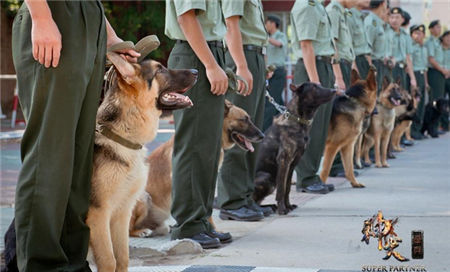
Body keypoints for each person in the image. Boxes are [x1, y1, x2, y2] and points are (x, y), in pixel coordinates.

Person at [11, 0, 139, 271]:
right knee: (50, 155)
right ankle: (41, 265)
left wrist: (109, 35)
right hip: (55, 13)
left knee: (80, 158)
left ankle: (71, 263)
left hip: (88, 18)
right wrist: (42, 17)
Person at [165, 0, 230, 249]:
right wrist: (211, 65)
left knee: (208, 148)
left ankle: (201, 221)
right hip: (195, 56)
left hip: (207, 52)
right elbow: (187, 17)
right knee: (193, 145)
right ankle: (187, 225)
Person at [217, 0, 273, 222]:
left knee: (252, 133)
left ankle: (245, 196)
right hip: (241, 56)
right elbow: (232, 25)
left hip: (254, 56)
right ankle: (232, 201)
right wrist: (241, 66)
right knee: (238, 131)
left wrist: (261, 63)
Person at [291, 0, 345, 194]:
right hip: (311, 70)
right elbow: (306, 45)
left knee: (320, 128)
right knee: (309, 127)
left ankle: (311, 175)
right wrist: (315, 84)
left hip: (322, 66)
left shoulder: (318, 6)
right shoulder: (307, 6)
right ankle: (305, 178)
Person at [263, 15, 288, 131]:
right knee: (277, 101)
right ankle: (284, 126)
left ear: (273, 23)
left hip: (278, 72)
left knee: (270, 103)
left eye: (267, 23)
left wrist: (264, 37)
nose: (265, 25)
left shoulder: (281, 36)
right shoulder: (268, 38)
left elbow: (279, 44)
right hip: (269, 71)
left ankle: (266, 130)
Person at [426, 20, 448, 133]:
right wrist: (443, 70)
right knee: (435, 100)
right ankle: (432, 128)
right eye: (436, 27)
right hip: (434, 72)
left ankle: (436, 126)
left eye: (440, 27)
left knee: (441, 100)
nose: (439, 30)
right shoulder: (430, 42)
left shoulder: (437, 42)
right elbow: (431, 59)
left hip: (440, 72)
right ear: (430, 29)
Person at [388, 7, 416, 91]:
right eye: (392, 17)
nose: (394, 20)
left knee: (401, 95)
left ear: (402, 19)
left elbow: (408, 58)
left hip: (402, 70)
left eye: (397, 17)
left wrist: (412, 78)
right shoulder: (385, 33)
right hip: (389, 69)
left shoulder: (406, 36)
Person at [409, 24, 429, 140]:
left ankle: (418, 129)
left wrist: (426, 83)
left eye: (421, 33)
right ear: (411, 34)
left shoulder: (424, 48)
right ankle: (411, 131)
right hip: (414, 75)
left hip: (422, 75)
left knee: (420, 104)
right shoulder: (411, 47)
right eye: (416, 33)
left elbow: (425, 67)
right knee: (413, 104)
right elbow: (409, 64)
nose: (418, 36)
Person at [365, 0, 389, 93]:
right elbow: (367, 49)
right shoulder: (371, 22)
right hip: (374, 64)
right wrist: (371, 70)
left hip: (380, 64)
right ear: (383, 4)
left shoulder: (378, 22)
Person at [348, 0, 372, 79]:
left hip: (364, 61)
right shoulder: (349, 16)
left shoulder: (361, 16)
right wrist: (353, 65)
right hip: (356, 61)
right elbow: (348, 43)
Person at [440, 30, 450, 131]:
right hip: (440, 75)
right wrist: (444, 71)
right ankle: (442, 124)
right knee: (441, 101)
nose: (449, 40)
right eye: (447, 37)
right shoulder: (439, 48)